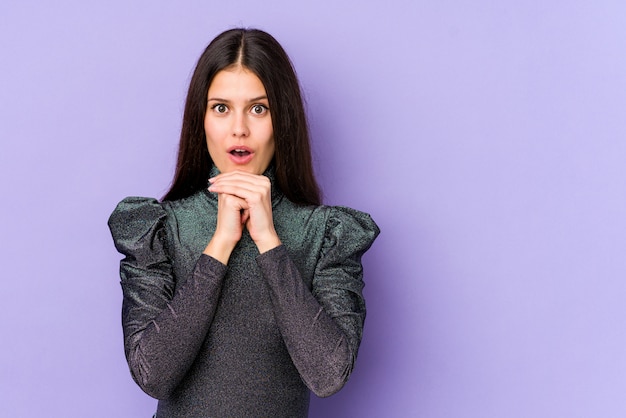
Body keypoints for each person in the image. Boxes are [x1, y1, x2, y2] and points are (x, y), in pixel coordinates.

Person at [108, 28, 379, 417]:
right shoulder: (159, 229)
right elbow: (153, 375)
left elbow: (328, 375)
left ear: (282, 119)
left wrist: (269, 241)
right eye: (221, 108)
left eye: (258, 108)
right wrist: (219, 245)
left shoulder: (327, 234)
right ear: (200, 119)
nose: (239, 128)